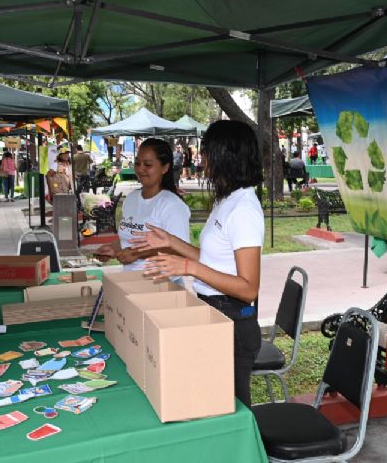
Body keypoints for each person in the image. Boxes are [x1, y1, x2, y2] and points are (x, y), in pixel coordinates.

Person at [131, 120, 264, 407]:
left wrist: (188, 269)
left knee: (230, 411)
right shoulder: (226, 200)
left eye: (206, 152)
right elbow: (212, 259)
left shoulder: (244, 209)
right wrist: (170, 241)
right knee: (211, 405)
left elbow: (249, 288)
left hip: (234, 323)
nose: (201, 160)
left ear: (226, 155)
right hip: (215, 312)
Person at [94, 138, 190, 271]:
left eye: (148, 164)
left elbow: (182, 250)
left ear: (165, 167)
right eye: (137, 163)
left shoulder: (172, 205)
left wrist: (138, 254)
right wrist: (113, 248)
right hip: (132, 282)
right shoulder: (131, 199)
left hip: (163, 285)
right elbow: (129, 239)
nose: (140, 169)